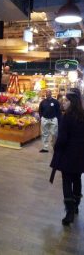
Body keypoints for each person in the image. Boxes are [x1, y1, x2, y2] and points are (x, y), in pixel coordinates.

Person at [50, 91, 84, 226]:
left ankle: (69, 211)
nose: (63, 102)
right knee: (77, 179)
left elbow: (62, 138)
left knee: (66, 181)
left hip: (68, 154)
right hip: (81, 154)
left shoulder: (67, 117)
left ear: (72, 102)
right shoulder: (82, 116)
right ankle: (76, 205)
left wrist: (56, 146)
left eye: (66, 100)